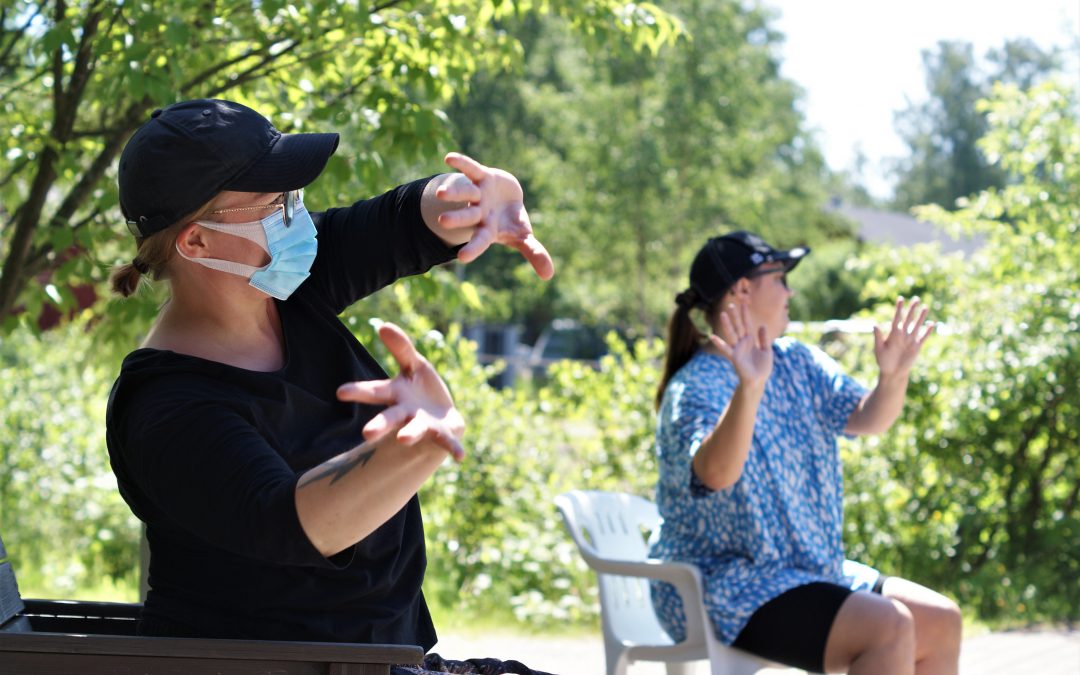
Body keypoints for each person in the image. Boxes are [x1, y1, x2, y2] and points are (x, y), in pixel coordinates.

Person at [106, 98, 553, 675]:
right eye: (275, 203)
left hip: (381, 656)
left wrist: (473, 198)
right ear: (196, 243)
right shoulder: (167, 407)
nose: (297, 215)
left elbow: (399, 221)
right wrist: (410, 448)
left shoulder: (283, 290)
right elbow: (292, 523)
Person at [649, 231, 962, 675]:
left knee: (940, 621)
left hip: (804, 571)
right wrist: (750, 389)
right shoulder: (694, 386)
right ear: (742, 289)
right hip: (721, 586)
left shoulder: (797, 361)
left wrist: (893, 377)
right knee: (886, 628)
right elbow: (716, 474)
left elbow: (868, 419)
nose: (790, 291)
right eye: (779, 278)